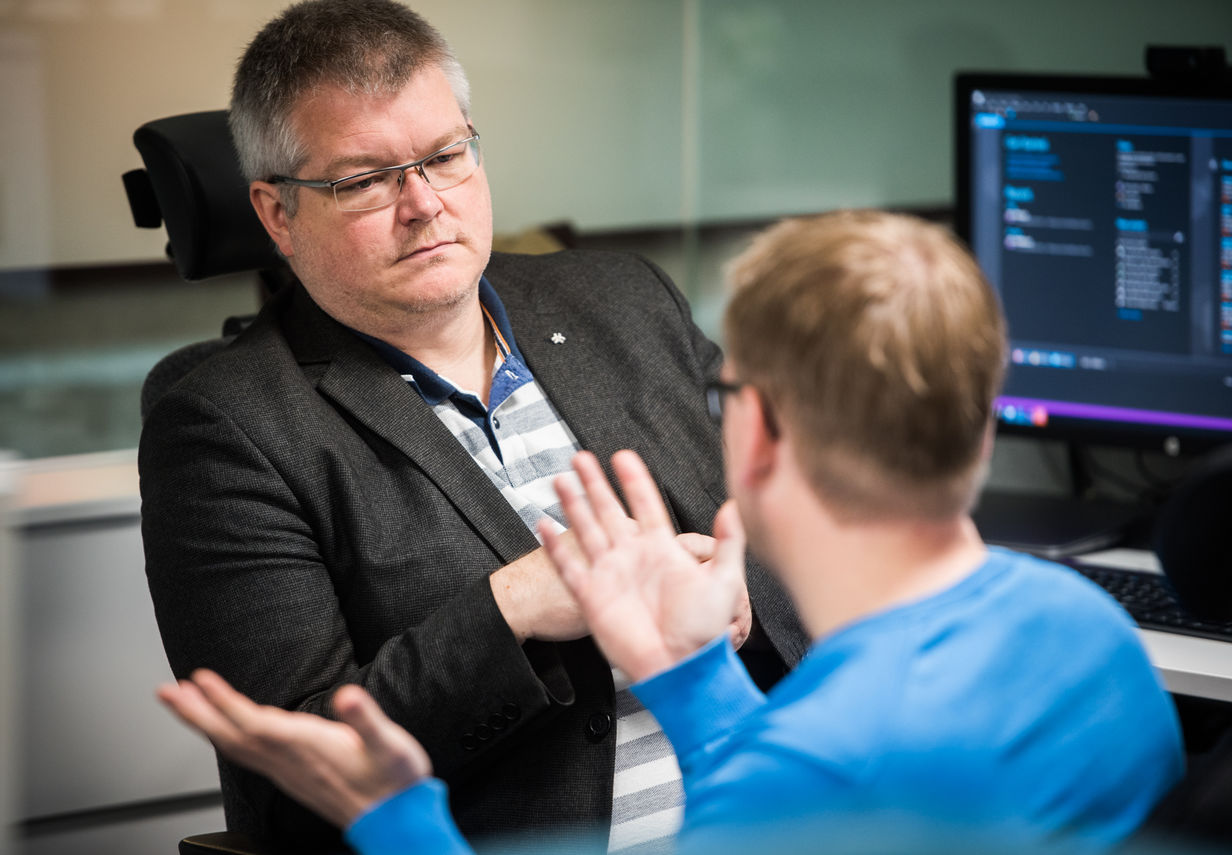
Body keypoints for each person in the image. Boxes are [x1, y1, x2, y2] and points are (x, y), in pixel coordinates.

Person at [159, 210, 1186, 855]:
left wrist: (393, 816)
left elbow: (802, 790)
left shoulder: (806, 779)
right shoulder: (1090, 635)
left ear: (761, 432)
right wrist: (688, 678)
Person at [138, 0, 805, 852]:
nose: (423, 204)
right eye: (364, 180)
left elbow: (802, 527)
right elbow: (298, 774)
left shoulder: (623, 301)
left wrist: (739, 582)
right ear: (276, 214)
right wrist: (517, 604)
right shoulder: (227, 426)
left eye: (445, 157)